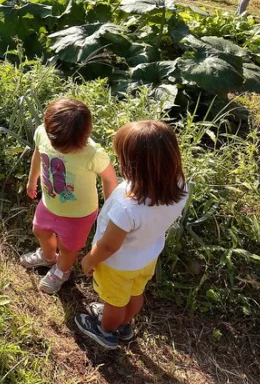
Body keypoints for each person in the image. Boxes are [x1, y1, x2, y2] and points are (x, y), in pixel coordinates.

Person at [74, 120, 188, 350]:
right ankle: (124, 325)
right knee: (135, 294)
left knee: (114, 301)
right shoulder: (179, 185)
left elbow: (109, 246)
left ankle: (106, 331)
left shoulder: (128, 206)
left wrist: (89, 260)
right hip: (147, 257)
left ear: (132, 165)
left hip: (117, 264)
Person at [20, 98, 119, 294]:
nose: (58, 148)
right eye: (55, 143)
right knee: (40, 230)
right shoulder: (43, 133)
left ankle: (62, 271)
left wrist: (110, 208)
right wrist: (32, 180)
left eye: (66, 148)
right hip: (48, 202)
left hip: (79, 214)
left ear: (83, 137)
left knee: (68, 248)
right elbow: (38, 155)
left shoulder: (92, 154)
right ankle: (48, 258)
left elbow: (109, 178)